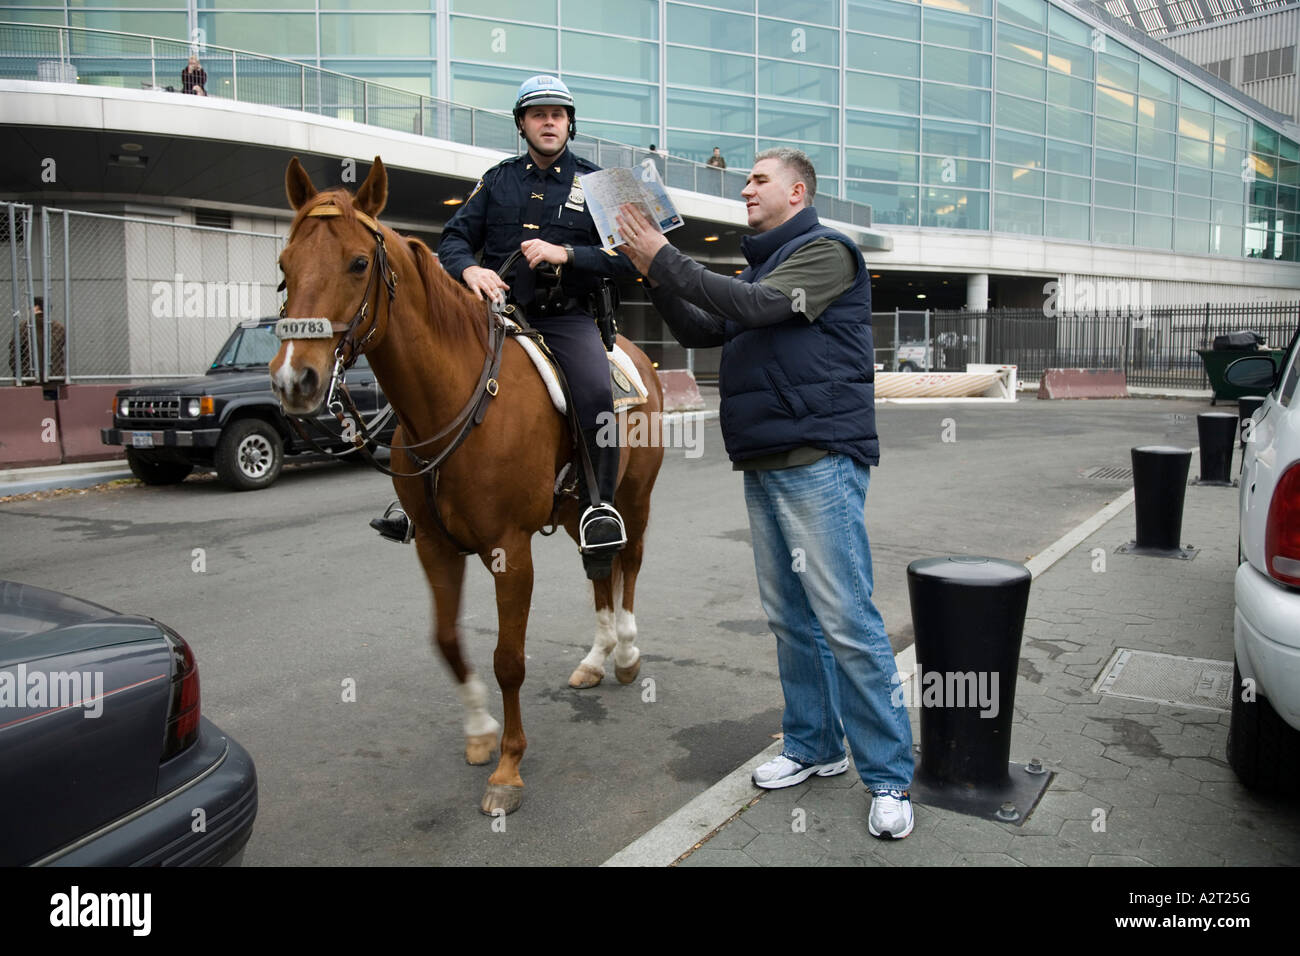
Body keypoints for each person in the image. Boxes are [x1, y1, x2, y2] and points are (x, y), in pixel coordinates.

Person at [614, 147, 916, 838]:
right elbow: (701, 324)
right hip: (765, 458)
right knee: (791, 619)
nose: (745, 188)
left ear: (798, 191)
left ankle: (890, 775)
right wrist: (651, 272)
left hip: (818, 459)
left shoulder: (827, 253)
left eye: (758, 180)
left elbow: (754, 307)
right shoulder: (763, 265)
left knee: (846, 620)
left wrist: (664, 255)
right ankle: (814, 746)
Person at [369, 74, 636, 581]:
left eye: (558, 114)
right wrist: (469, 269)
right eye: (538, 114)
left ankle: (599, 507)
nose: (549, 121)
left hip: (564, 319)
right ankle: (415, 500)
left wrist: (568, 254)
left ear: (570, 123)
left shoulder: (604, 182)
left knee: (595, 392)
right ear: (522, 124)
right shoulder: (496, 179)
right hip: (494, 317)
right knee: (423, 384)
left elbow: (634, 259)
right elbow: (452, 240)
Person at [9, 297, 66, 384]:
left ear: (36, 308)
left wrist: (18, 374)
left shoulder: (24, 326)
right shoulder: (58, 327)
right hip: (55, 378)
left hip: (29, 378)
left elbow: (15, 355)